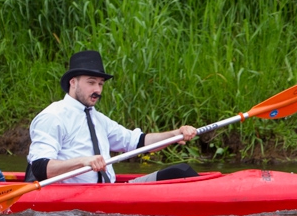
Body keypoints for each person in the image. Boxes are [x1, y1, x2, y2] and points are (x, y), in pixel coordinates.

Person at [26, 50, 198, 184]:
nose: (97, 90)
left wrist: (175, 134)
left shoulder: (98, 119)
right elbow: (40, 168)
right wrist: (82, 161)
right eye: (91, 82)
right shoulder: (52, 117)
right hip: (75, 199)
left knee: (180, 171)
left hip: (109, 191)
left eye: (100, 84)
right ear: (73, 82)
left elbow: (138, 142)